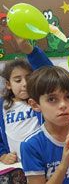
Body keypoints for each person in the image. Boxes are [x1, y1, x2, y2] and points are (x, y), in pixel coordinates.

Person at [0, 36, 52, 164]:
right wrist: (2, 155)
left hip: (42, 159)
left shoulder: (39, 99)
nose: (24, 84)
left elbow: (49, 72)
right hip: (16, 163)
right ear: (8, 84)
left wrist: (31, 51)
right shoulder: (2, 104)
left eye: (29, 78)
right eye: (18, 80)